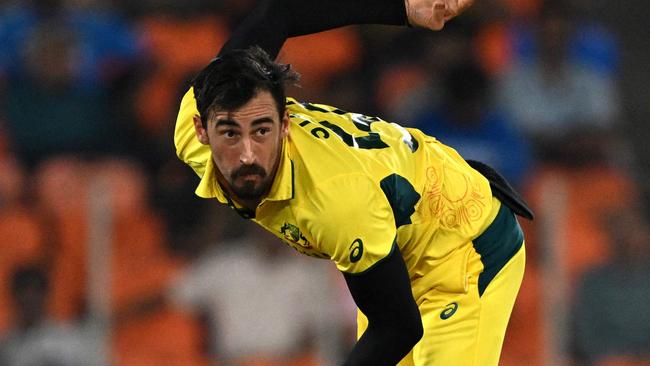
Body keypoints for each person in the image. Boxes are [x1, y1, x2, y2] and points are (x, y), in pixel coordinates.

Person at [174, 0, 533, 364]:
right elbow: (279, 12)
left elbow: (397, 327)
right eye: (230, 133)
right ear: (201, 130)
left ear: (284, 124)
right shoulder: (204, 109)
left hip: (464, 244)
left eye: (262, 130)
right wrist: (404, 9)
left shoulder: (334, 199)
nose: (248, 154)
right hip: (394, 241)